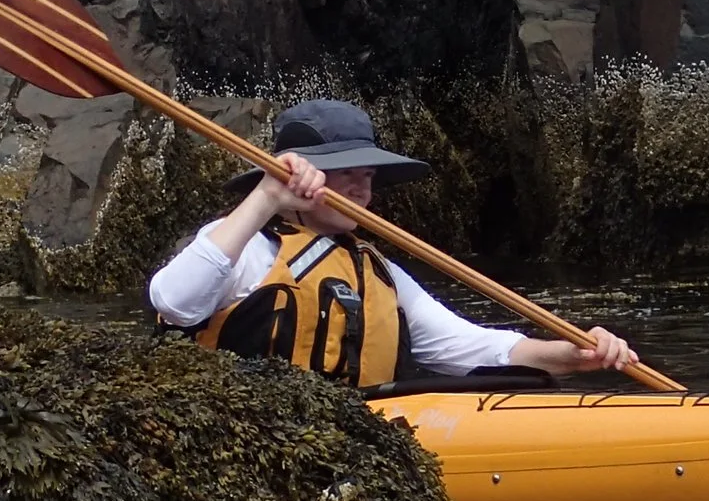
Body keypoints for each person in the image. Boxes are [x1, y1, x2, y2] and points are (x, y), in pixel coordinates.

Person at [148, 97, 639, 389]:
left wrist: (572, 355)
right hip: (243, 435)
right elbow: (173, 302)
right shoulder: (244, 243)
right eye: (343, 176)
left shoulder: (375, 269)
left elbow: (469, 347)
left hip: (352, 435)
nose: (361, 191)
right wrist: (265, 198)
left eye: (367, 176)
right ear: (298, 179)